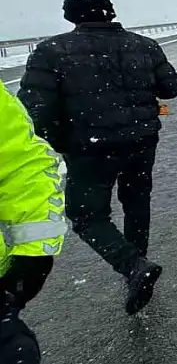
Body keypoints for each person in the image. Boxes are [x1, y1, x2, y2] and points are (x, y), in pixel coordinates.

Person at [18, 0, 177, 315]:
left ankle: (134, 265)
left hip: (90, 150)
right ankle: (137, 264)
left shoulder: (51, 51)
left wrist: (62, 141)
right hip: (141, 142)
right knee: (136, 202)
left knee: (86, 215)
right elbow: (171, 87)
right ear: (110, 11)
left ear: (70, 17)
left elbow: (34, 112)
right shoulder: (144, 46)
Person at [0, 86, 66, 364]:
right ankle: (135, 261)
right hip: (128, 139)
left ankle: (133, 262)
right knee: (130, 200)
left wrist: (35, 254)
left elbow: (19, 162)